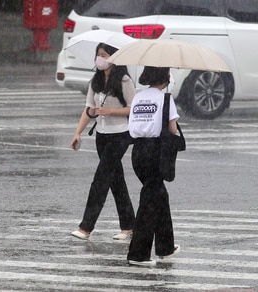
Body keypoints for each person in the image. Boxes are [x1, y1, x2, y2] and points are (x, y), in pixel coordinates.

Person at [69, 43, 136, 241]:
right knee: (116, 181)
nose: (100, 59)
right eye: (98, 55)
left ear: (114, 58)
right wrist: (77, 133)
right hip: (102, 135)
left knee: (101, 179)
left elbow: (133, 109)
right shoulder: (95, 81)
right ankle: (129, 225)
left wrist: (110, 111)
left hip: (120, 135)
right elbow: (88, 108)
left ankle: (86, 227)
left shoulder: (124, 81)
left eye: (104, 55)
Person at [127, 66, 181, 266]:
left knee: (158, 195)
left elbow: (132, 124)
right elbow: (173, 129)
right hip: (156, 153)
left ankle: (165, 248)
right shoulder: (165, 99)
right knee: (150, 201)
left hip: (138, 152)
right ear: (164, 77)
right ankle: (138, 254)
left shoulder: (139, 97)